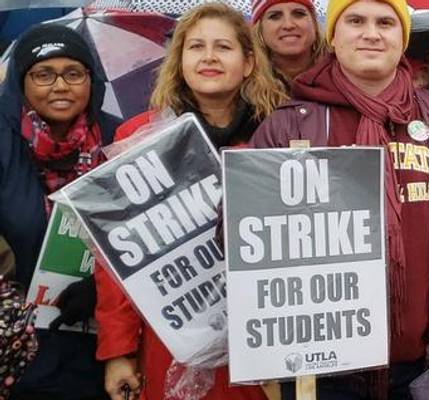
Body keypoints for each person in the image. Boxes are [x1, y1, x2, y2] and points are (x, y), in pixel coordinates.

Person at [249, 0, 429, 397]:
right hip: (322, 376)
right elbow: (242, 240)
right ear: (332, 36)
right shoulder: (286, 125)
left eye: (385, 22)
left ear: (402, 39)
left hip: (424, 370)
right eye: (355, 21)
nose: (371, 33)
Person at [94, 3, 287, 399]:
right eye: (196, 47)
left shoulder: (278, 137)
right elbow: (116, 260)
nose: (209, 57)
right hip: (170, 340)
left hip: (261, 342)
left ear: (249, 63)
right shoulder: (139, 137)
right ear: (180, 60)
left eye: (223, 47)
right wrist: (118, 350)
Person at [0, 23, 120, 400]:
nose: (60, 86)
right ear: (21, 83)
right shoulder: (3, 144)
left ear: (92, 79)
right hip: (20, 350)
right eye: (43, 74)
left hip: (104, 346)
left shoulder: (122, 140)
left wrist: (101, 287)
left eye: (73, 73)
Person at [250, 0, 329, 86]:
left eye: (299, 14)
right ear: (259, 28)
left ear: (314, 23)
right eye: (275, 16)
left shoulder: (342, 73)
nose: (288, 25)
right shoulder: (242, 83)